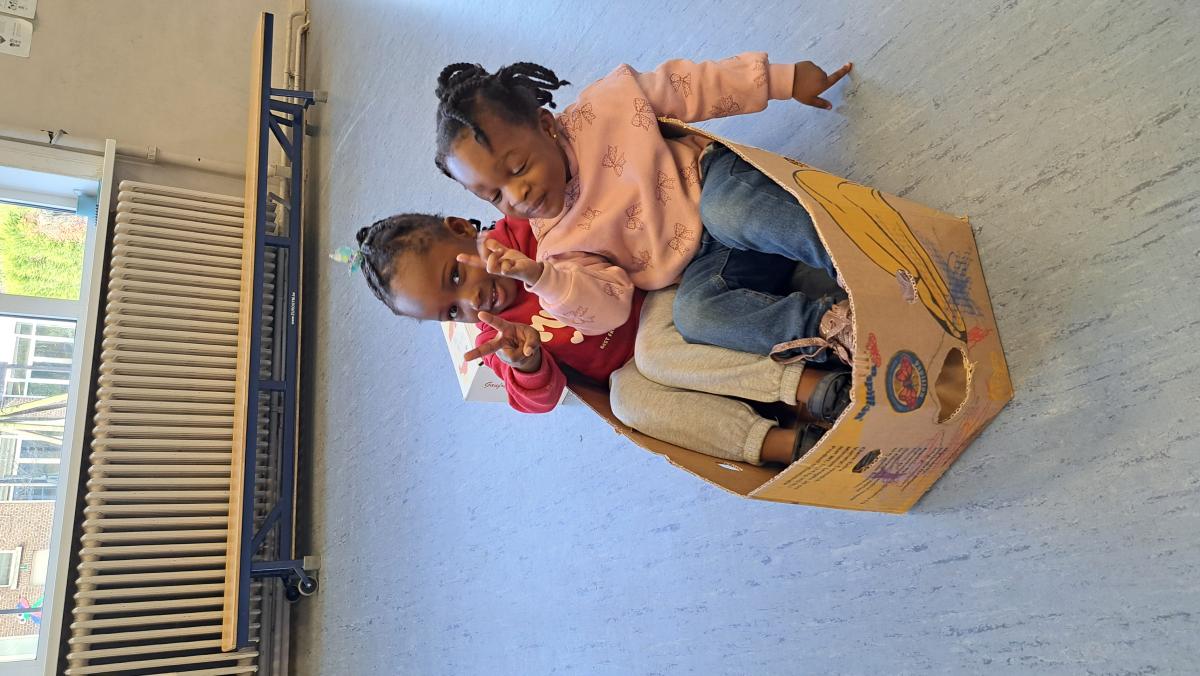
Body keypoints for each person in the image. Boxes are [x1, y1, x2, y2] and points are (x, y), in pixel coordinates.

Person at [433, 54, 855, 365]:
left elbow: (690, 87)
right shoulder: (556, 246)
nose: (518, 195)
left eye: (518, 169)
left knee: (728, 211)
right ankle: (833, 328)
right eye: (495, 196)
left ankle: (853, 257)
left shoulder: (606, 106)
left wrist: (779, 79)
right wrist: (543, 278)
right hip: (708, 265)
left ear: (546, 126)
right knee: (694, 315)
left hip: (710, 185)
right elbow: (609, 311)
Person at [341, 212, 851, 465]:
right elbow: (538, 399)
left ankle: (810, 388)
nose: (471, 301)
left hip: (658, 299)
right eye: (451, 311)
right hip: (635, 367)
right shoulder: (496, 335)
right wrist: (527, 365)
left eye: (457, 276)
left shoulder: (529, 227)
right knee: (628, 401)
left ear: (460, 228)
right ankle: (785, 445)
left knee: (654, 353)